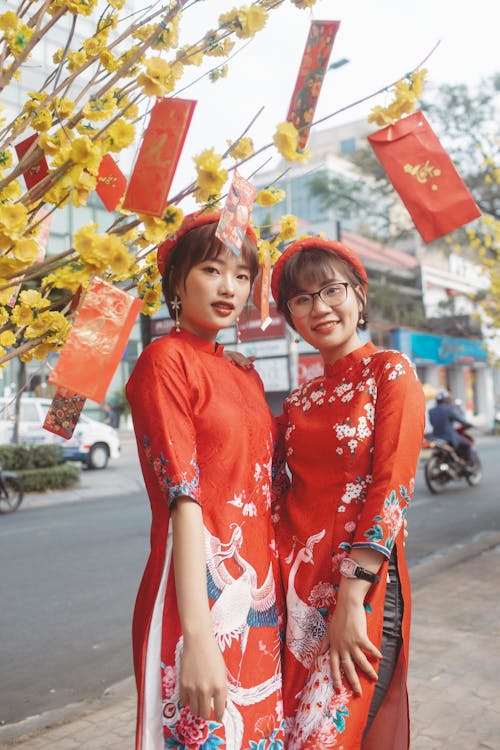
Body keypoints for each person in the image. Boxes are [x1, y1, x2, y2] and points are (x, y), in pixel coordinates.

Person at [126, 212, 285, 750]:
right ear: (177, 282)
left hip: (258, 603)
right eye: (212, 270)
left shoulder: (243, 371)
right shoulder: (162, 362)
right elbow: (183, 497)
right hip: (197, 597)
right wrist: (197, 636)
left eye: (242, 276)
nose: (229, 288)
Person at [270, 236, 426, 749]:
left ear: (359, 295)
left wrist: (350, 600)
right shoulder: (297, 401)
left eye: (331, 290)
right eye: (301, 299)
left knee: (330, 738)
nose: (319, 308)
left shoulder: (391, 372)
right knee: (295, 735)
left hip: (362, 588)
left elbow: (392, 486)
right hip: (297, 596)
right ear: (290, 315)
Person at [428, 389, 474, 464]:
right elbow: (460, 419)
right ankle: (468, 462)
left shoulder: (431, 411)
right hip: (449, 437)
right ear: (445, 399)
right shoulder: (448, 409)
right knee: (467, 444)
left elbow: (432, 423)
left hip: (435, 437)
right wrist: (470, 424)